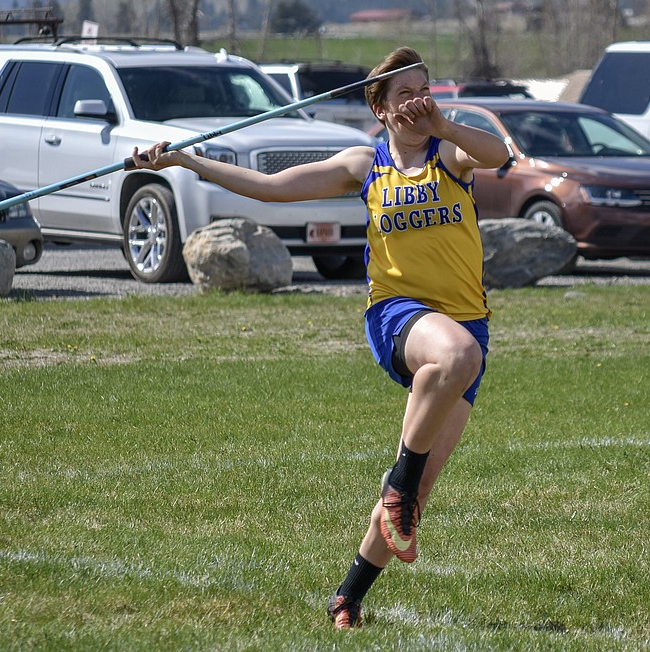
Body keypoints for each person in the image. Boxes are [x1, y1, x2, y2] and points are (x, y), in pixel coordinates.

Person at [129, 47, 510, 629]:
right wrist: (187, 162)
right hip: (398, 316)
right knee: (455, 358)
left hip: (466, 320)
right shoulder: (366, 165)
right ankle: (398, 485)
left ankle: (347, 597)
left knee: (422, 483)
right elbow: (267, 187)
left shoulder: (451, 153)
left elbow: (499, 154)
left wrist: (444, 123)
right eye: (402, 94)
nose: (416, 101)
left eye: (422, 89)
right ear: (380, 108)